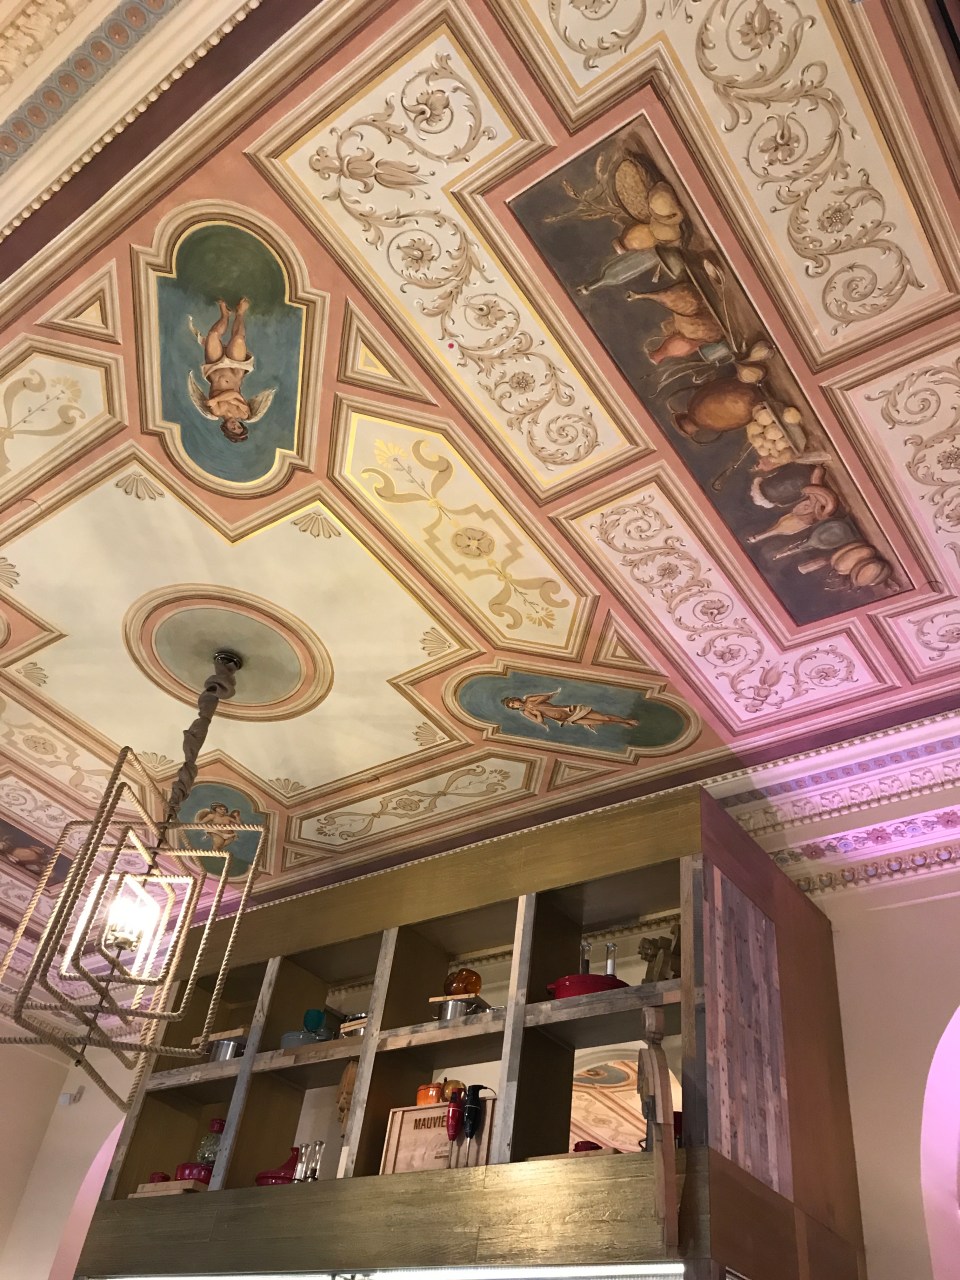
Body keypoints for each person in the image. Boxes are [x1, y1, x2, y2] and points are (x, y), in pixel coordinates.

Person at [187, 298, 275, 441]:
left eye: (232, 429)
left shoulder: (216, 412)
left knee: (213, 335)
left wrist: (235, 400)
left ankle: (225, 315)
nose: (235, 425)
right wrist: (222, 398)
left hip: (214, 368)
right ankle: (240, 313)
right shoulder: (244, 414)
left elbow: (234, 396)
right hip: (235, 370)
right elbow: (233, 393)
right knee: (238, 339)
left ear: (226, 429)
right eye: (238, 427)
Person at [501, 690, 638, 732]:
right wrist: (537, 713)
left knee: (604, 718)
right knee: (601, 722)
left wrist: (534, 704)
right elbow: (539, 721)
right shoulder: (525, 712)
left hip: (571, 710)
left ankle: (626, 720)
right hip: (567, 719)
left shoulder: (529, 699)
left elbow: (546, 697)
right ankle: (621, 723)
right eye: (513, 706)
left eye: (513, 702)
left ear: (516, 699)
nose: (515, 705)